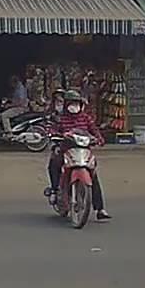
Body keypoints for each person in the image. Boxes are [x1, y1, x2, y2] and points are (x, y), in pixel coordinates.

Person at [45, 90, 111, 221]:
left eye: (76, 103)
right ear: (66, 105)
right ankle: (54, 190)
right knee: (54, 163)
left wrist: (99, 138)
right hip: (66, 149)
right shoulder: (60, 118)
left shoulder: (85, 118)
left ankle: (100, 209)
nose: (74, 106)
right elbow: (52, 129)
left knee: (93, 175)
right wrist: (54, 135)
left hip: (83, 150)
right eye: (71, 103)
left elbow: (94, 130)